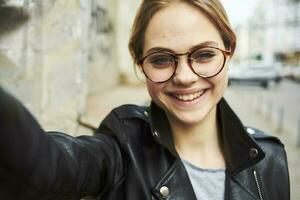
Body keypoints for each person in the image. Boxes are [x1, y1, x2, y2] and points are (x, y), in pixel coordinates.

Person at [0, 0, 290, 199]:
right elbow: (54, 166)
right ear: (141, 65)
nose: (185, 77)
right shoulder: (123, 145)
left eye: (204, 55)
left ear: (230, 51)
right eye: (162, 59)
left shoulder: (270, 159)